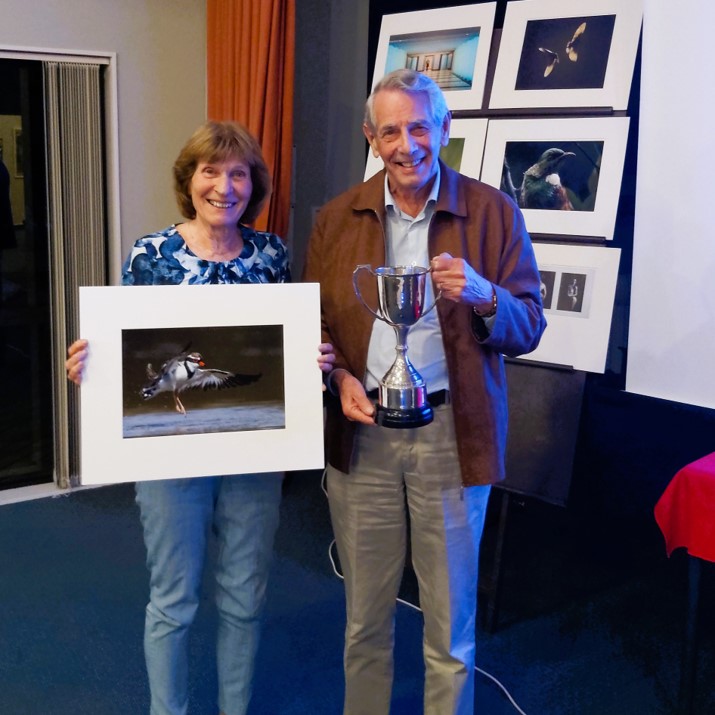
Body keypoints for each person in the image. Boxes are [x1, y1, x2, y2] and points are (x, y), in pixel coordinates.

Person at [66, 120, 334, 715]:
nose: (224, 186)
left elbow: (281, 350)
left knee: (245, 598)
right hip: (169, 454)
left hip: (255, 452)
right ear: (189, 181)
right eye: (210, 171)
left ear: (253, 186)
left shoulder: (271, 255)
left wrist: (311, 357)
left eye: (239, 174)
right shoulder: (151, 255)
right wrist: (92, 365)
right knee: (173, 601)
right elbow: (127, 352)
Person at [303, 69, 546, 715]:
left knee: (449, 630)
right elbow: (315, 325)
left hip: (452, 437)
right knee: (363, 621)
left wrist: (484, 294)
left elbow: (529, 326)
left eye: (418, 127)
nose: (405, 145)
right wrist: (338, 376)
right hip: (362, 434)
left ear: (443, 129)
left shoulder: (492, 212)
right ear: (370, 137)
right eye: (390, 131)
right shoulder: (336, 219)